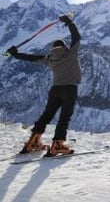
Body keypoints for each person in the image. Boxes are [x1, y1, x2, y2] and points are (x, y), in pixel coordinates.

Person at [7, 14, 81, 157]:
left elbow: (32, 58)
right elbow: (76, 37)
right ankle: (58, 144)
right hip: (69, 89)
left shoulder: (50, 58)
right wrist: (70, 23)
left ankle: (33, 142)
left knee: (46, 116)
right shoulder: (70, 54)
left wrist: (15, 54)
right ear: (65, 47)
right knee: (64, 118)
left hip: (55, 90)